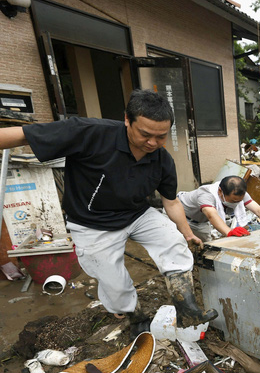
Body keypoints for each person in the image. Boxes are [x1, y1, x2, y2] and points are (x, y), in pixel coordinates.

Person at [0, 89, 218, 338]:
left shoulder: (162, 159)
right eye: (145, 134)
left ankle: (186, 307)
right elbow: (22, 135)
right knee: (114, 284)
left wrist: (188, 233)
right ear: (127, 119)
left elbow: (171, 202)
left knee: (173, 241)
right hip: (92, 223)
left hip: (137, 214)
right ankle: (135, 316)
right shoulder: (89, 133)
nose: (153, 143)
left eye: (161, 136)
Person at [177, 175, 260, 242]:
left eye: (239, 201)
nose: (236, 203)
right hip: (181, 217)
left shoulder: (239, 193)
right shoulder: (206, 194)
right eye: (233, 201)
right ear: (220, 192)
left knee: (205, 247)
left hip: (201, 223)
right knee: (179, 245)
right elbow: (211, 215)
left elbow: (258, 210)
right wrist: (229, 232)